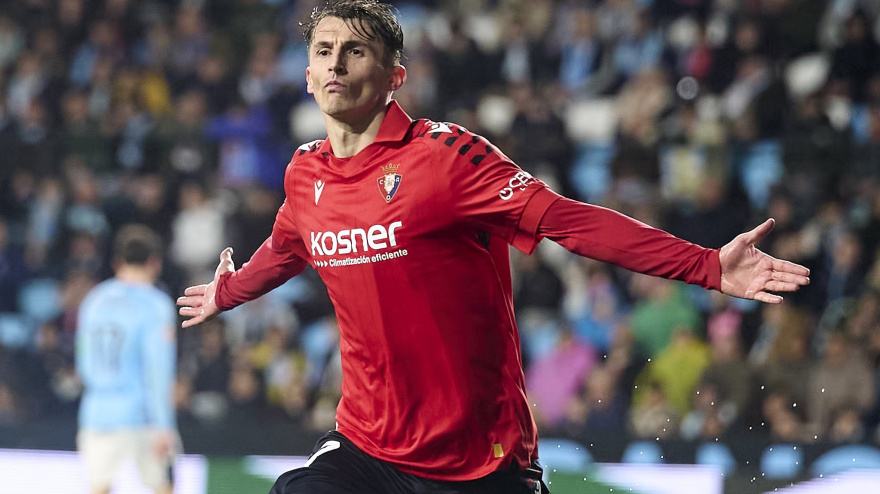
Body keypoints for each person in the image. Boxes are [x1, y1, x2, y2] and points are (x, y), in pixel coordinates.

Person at [176, 2, 810, 493]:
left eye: (355, 50)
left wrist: (704, 266)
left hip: (479, 460)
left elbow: (568, 221)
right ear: (308, 76)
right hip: (368, 446)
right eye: (324, 50)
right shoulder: (305, 173)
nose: (337, 62)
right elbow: (288, 244)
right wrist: (228, 292)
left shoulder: (447, 160)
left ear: (395, 75)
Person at [76, 225, 179, 494]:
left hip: (97, 411)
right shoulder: (156, 304)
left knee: (98, 487)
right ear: (154, 262)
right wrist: (164, 425)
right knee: (163, 486)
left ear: (116, 262)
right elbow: (158, 369)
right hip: (143, 414)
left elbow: (83, 362)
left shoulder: (93, 300)